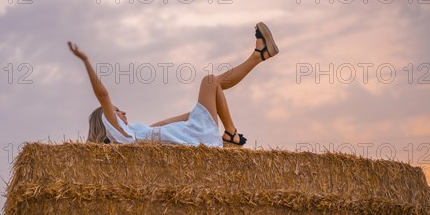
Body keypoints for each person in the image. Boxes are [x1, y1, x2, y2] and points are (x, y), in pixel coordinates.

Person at [68, 22, 279, 148]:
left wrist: (197, 111)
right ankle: (231, 133)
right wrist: (85, 60)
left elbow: (165, 123)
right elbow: (103, 95)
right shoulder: (120, 135)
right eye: (116, 111)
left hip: (193, 131)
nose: (122, 112)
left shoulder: (134, 133)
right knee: (209, 81)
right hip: (196, 136)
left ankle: (258, 56)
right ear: (107, 122)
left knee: (212, 83)